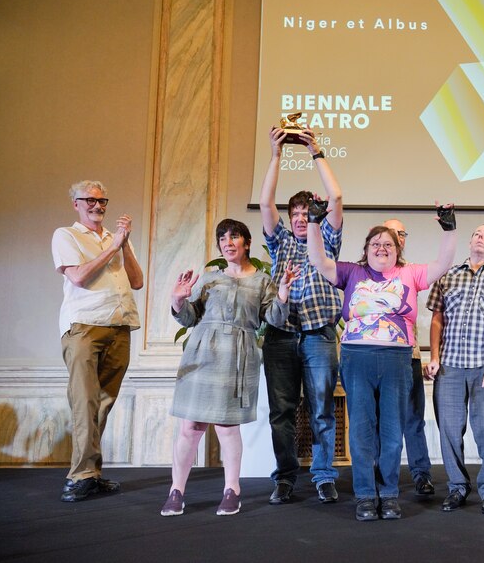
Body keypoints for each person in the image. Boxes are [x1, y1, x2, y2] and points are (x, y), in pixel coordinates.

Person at [307, 202, 456, 521]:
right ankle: (364, 495)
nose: (382, 247)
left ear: (397, 249)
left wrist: (448, 228)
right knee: (361, 429)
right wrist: (313, 222)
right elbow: (318, 259)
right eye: (376, 243)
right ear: (366, 250)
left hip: (397, 358)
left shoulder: (411, 272)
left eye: (388, 243)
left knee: (391, 430)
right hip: (357, 357)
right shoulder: (350, 271)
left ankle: (388, 495)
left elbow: (443, 262)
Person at [160, 219, 296, 517]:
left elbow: (274, 318)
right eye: (223, 237)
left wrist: (283, 292)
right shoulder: (209, 278)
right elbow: (188, 318)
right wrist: (177, 300)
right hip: (202, 354)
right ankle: (176, 491)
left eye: (234, 236)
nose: (228, 241)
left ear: (246, 243)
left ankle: (232, 490)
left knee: (227, 426)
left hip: (237, 356)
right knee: (190, 426)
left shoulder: (262, 280)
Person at [259, 125, 343, 505]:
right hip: (281, 337)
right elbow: (264, 204)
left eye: (306, 212)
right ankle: (285, 476)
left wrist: (315, 149)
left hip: (319, 335)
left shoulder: (326, 239)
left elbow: (337, 196)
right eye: (294, 212)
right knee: (283, 412)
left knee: (322, 409)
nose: (298, 218)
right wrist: (277, 155)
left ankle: (324, 475)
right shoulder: (280, 245)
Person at [52, 181, 144, 502]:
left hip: (119, 325)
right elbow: (78, 276)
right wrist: (111, 248)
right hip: (83, 327)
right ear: (76, 203)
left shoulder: (115, 239)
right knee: (85, 401)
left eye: (102, 199)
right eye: (89, 199)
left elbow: (137, 281)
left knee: (103, 402)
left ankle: (92, 472)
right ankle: (80, 475)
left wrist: (123, 244)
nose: (97, 205)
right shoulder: (67, 235)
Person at [425, 224, 484, 515]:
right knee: (450, 431)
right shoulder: (447, 275)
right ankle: (456, 487)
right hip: (450, 366)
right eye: (477, 233)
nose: (480, 236)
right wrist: (434, 356)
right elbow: (437, 319)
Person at [381, 218, 434, 497]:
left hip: (409, 355)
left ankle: (421, 474)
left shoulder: (411, 271)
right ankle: (381, 473)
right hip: (378, 356)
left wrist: (424, 356)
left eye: (401, 233)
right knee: (380, 419)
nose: (398, 237)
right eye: (391, 233)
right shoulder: (370, 269)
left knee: (414, 418)